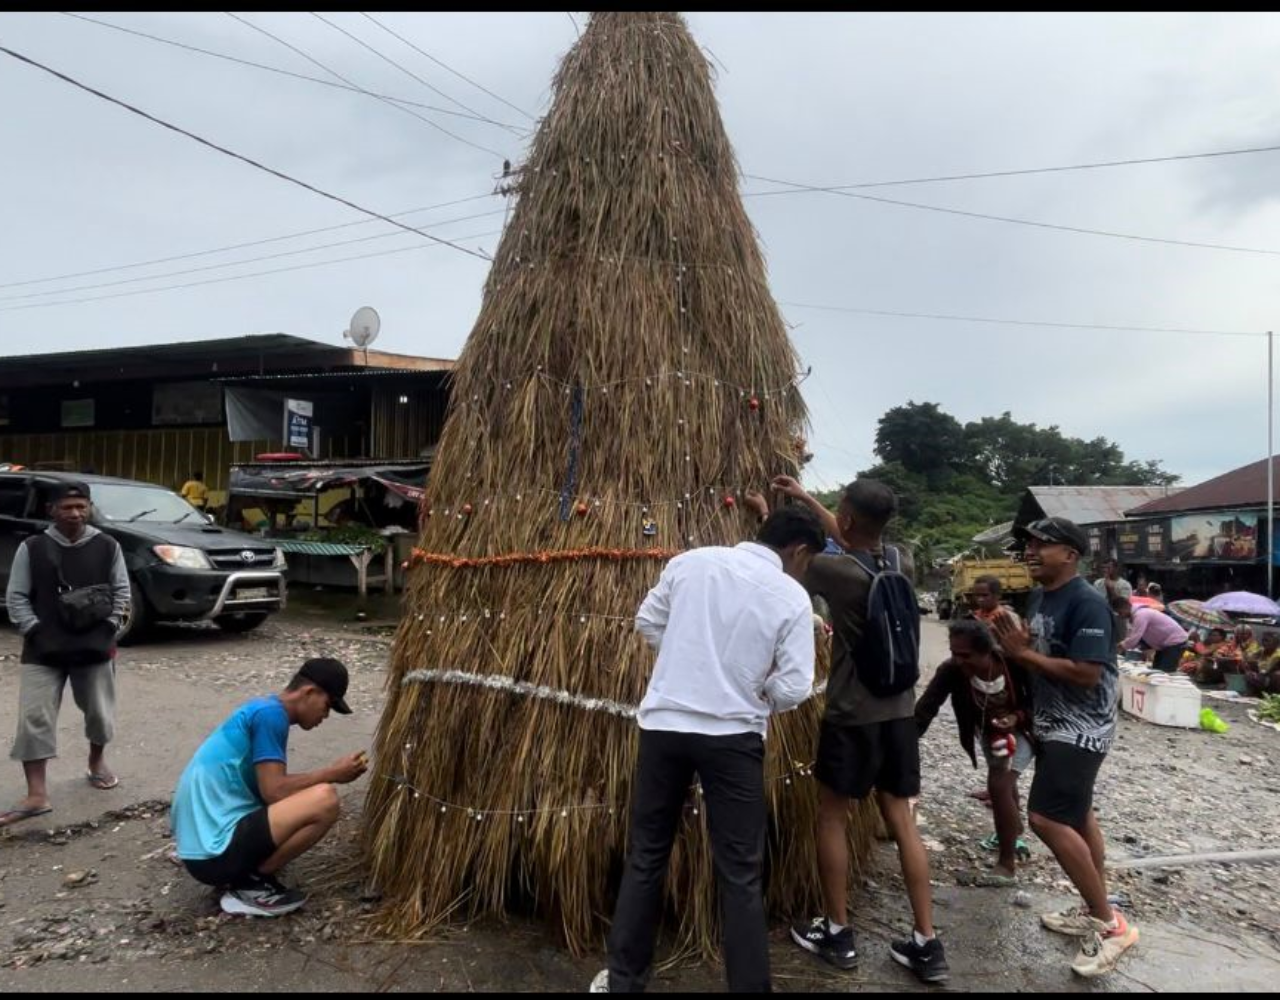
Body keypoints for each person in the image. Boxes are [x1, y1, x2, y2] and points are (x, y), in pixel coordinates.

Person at [591, 508, 824, 994]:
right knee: (739, 872)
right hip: (734, 741)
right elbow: (796, 686)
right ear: (799, 551)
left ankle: (626, 982)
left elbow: (647, 622)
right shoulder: (792, 597)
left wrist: (684, 659)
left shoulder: (691, 562)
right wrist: (759, 694)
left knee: (647, 855)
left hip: (664, 727)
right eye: (807, 562)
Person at [785, 479, 948, 985]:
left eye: (839, 511)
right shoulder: (901, 561)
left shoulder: (831, 571)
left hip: (852, 716)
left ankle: (837, 932)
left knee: (831, 816)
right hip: (899, 714)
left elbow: (788, 563)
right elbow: (856, 538)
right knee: (902, 823)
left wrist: (774, 510)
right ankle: (926, 942)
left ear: (849, 518)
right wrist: (810, 498)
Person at [991, 517, 1138, 978]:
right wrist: (1025, 709)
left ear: (1070, 555)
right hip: (1053, 724)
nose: (1031, 551)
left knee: (1045, 817)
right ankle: (1094, 907)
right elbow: (1040, 658)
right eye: (1029, 544)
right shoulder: (1039, 597)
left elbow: (1087, 673)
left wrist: (1022, 655)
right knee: (1078, 814)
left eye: (1042, 545)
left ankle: (1112, 926)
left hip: (1085, 727)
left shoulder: (1089, 604)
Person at [172, 658, 367, 917]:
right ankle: (251, 886)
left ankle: (247, 875)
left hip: (200, 851)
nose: (326, 715)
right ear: (309, 692)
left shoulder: (261, 709)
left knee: (303, 797)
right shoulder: (271, 716)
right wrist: (332, 773)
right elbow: (274, 791)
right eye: (327, 705)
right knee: (325, 799)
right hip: (212, 854)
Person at [2, 480, 130, 829]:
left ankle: (96, 762)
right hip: (43, 651)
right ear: (52, 510)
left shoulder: (108, 546)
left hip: (95, 648)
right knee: (34, 719)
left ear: (89, 508)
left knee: (100, 715)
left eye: (81, 506)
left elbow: (122, 593)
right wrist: (35, 631)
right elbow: (16, 596)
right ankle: (37, 795)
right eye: (67, 507)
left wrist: (109, 629)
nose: (75, 513)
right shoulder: (33, 547)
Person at [915, 619, 1034, 886]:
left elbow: (1036, 702)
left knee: (999, 784)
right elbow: (926, 708)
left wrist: (1016, 717)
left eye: (965, 655)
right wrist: (903, 743)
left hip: (1022, 731)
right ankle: (1012, 829)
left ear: (986, 651)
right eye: (954, 653)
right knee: (1003, 782)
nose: (958, 660)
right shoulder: (951, 671)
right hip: (990, 734)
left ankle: (1006, 865)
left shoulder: (1011, 664)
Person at [1112, 597, 1189, 672]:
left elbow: (1135, 637)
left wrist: (1121, 646)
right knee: (1156, 670)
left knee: (1164, 672)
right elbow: (1134, 637)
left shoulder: (1141, 615)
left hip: (1175, 641)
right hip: (1166, 644)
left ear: (1126, 607)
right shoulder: (1137, 615)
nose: (1120, 616)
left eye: (1120, 612)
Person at [1244, 631, 1280, 696]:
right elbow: (1249, 659)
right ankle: (1254, 694)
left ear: (1276, 643)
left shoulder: (1278, 654)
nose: (1264, 643)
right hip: (1262, 675)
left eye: (1267, 641)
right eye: (1263, 640)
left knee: (1277, 675)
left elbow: (1268, 668)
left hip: (1271, 677)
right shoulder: (1261, 650)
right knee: (1249, 673)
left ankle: (1273, 695)